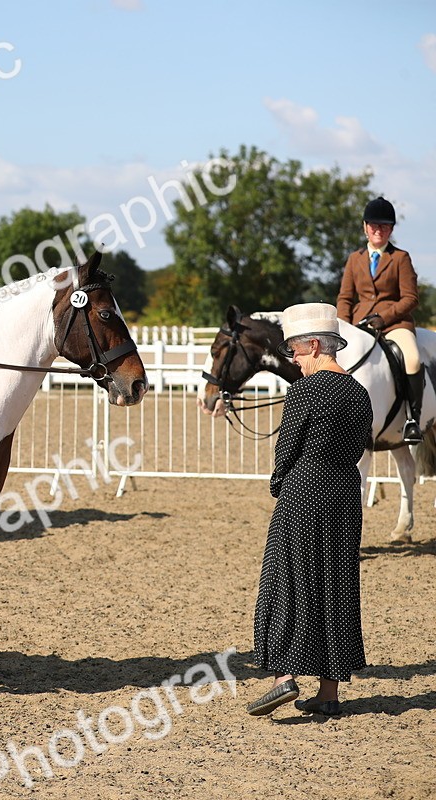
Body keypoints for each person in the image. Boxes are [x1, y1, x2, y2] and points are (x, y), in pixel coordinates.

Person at [246, 303, 372, 718]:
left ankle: (284, 678)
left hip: (305, 490)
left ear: (315, 346)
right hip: (345, 492)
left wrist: (278, 481)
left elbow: (287, 449)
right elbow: (357, 447)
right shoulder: (359, 392)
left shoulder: (305, 391)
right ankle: (329, 693)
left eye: (296, 353)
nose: (294, 362)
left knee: (288, 579)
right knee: (336, 582)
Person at [336, 196, 423, 443]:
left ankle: (411, 419)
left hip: (394, 324)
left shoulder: (400, 258)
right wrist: (343, 325)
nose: (378, 230)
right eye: (373, 225)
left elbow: (410, 298)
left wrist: (383, 318)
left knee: (413, 360)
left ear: (391, 229)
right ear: (365, 227)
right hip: (358, 326)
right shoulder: (355, 259)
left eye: (384, 226)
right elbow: (344, 297)